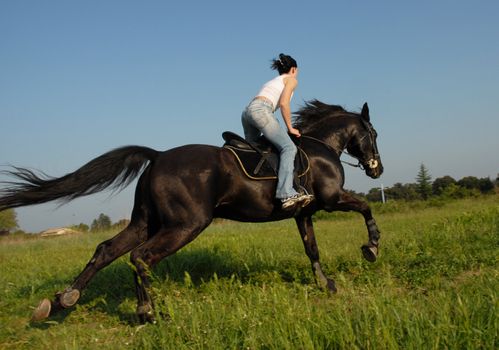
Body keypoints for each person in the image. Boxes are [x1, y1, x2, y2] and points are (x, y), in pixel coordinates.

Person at [241, 53, 313, 209]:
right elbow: (284, 103)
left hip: (248, 113)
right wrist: (290, 128)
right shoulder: (292, 79)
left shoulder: (273, 80)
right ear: (294, 69)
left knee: (253, 150)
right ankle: (285, 192)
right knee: (288, 147)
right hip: (261, 111)